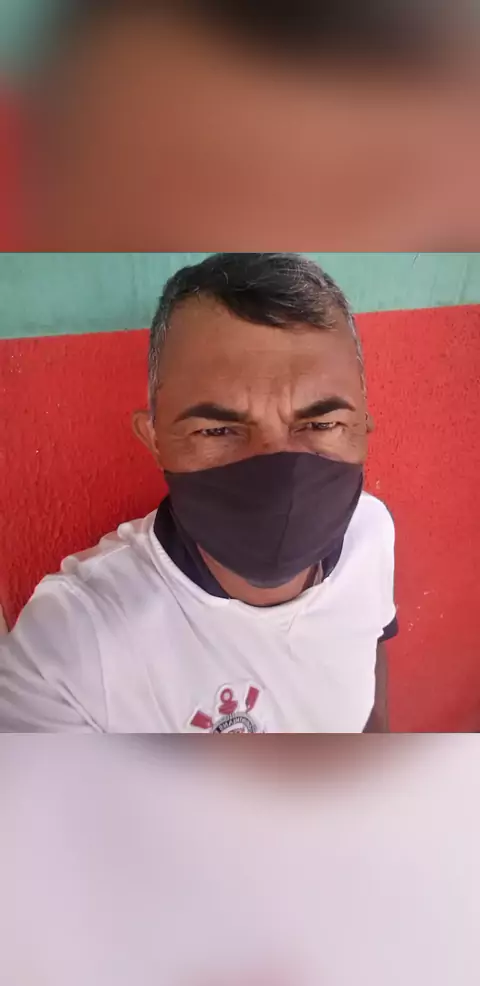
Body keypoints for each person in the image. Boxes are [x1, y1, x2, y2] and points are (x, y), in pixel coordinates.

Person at [0, 253, 397, 733]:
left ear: (364, 426)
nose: (279, 473)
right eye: (217, 430)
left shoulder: (370, 531)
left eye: (322, 423)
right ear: (154, 439)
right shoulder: (71, 646)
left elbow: (370, 640)